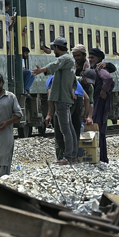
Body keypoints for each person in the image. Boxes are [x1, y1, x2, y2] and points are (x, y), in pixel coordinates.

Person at [32, 37, 77, 165]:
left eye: (53, 48)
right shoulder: (71, 60)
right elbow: (74, 81)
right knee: (70, 128)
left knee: (65, 129)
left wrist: (41, 70)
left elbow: (54, 64)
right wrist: (72, 90)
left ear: (57, 48)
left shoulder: (65, 59)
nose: (53, 51)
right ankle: (72, 157)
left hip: (61, 98)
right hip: (65, 97)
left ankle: (68, 157)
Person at [46, 70, 90, 162]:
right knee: (75, 130)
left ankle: (66, 156)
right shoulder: (74, 81)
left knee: (61, 130)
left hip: (65, 100)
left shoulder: (51, 79)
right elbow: (87, 98)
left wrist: (51, 113)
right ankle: (74, 157)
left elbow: (50, 96)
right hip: (79, 101)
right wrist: (85, 115)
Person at [0, 73, 22, 177]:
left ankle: (2, 180)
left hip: (5, 135)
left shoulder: (11, 97)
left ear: (3, 83)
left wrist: (7, 122)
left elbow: (19, 114)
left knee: (3, 158)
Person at [90, 60, 115, 163]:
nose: (90, 59)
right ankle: (99, 156)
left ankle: (98, 156)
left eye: (92, 57)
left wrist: (103, 91)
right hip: (95, 101)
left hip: (97, 102)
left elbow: (109, 78)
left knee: (98, 128)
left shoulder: (99, 69)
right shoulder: (91, 67)